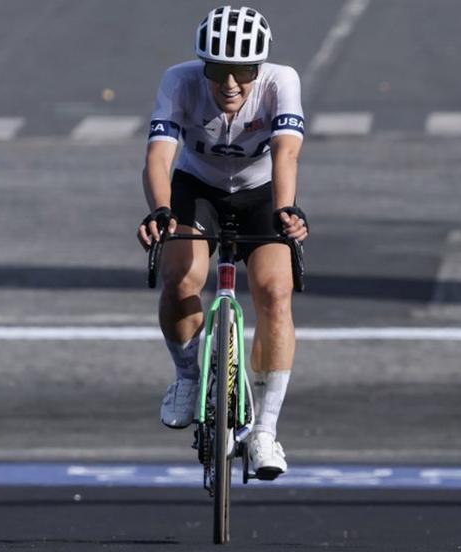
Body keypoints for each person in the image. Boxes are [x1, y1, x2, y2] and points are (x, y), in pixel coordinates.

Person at [136, 5, 308, 480]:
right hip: (198, 189)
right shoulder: (179, 81)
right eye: (217, 69)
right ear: (201, 65)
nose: (230, 83)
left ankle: (265, 432)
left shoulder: (281, 81)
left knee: (275, 292)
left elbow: (286, 152)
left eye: (244, 71)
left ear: (260, 67)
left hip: (262, 193)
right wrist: (160, 209)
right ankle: (188, 376)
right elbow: (158, 155)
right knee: (178, 277)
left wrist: (286, 208)